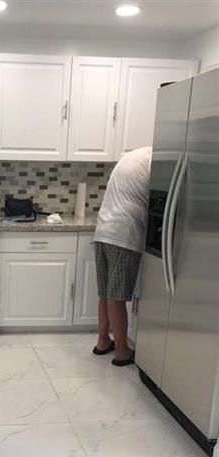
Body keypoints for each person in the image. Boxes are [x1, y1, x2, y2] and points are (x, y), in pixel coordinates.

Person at [92, 146, 152, 366]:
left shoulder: (134, 156)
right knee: (116, 297)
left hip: (103, 229)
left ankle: (102, 342)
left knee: (105, 294)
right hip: (124, 233)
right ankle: (122, 351)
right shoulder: (156, 160)